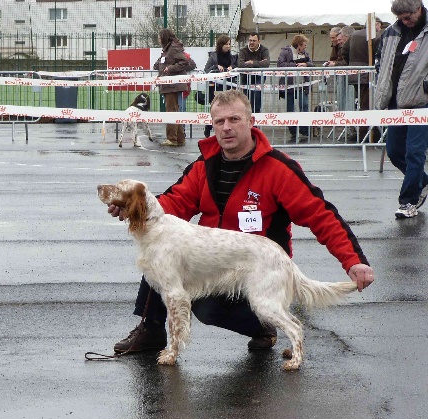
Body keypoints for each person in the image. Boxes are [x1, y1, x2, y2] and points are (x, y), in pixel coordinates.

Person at [107, 90, 374, 356]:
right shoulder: (204, 166)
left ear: (251, 121)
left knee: (211, 306)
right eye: (219, 122)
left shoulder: (277, 169)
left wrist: (354, 261)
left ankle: (265, 324)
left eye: (234, 119)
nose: (226, 128)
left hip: (258, 266)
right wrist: (134, 210)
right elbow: (172, 204)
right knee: (160, 247)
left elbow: (321, 214)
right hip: (214, 259)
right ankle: (151, 329)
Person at [375, 0, 428, 219]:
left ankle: (408, 201)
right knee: (395, 151)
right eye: (400, 18)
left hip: (422, 102)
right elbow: (381, 60)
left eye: (407, 17)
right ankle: (422, 182)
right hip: (396, 101)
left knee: (414, 152)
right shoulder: (390, 32)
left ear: (419, 9)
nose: (404, 22)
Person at [153, 28, 195, 147]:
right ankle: (180, 138)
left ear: (164, 37)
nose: (158, 38)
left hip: (173, 85)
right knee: (175, 112)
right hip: (168, 85)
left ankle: (172, 138)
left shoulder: (174, 47)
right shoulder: (167, 49)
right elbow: (161, 63)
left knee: (171, 112)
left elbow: (184, 62)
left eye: (159, 36)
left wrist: (170, 68)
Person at [347, 17, 386, 142]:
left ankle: (365, 134)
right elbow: (380, 53)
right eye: (379, 26)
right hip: (366, 75)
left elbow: (344, 51)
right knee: (367, 106)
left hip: (354, 73)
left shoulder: (354, 35)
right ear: (377, 24)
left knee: (362, 105)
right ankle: (365, 135)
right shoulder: (376, 36)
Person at [277, 34, 313, 142]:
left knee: (304, 105)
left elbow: (312, 64)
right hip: (289, 86)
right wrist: (296, 65)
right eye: (304, 45)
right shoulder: (286, 52)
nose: (305, 47)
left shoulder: (305, 54)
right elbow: (280, 64)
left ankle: (304, 129)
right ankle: (293, 130)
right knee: (290, 108)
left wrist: (306, 64)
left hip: (302, 85)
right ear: (299, 45)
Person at [203, 35, 236, 137]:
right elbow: (206, 69)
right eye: (226, 44)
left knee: (228, 108)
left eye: (229, 44)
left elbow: (237, 67)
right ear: (221, 45)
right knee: (215, 107)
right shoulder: (213, 56)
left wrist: (232, 67)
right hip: (215, 86)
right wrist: (216, 67)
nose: (228, 46)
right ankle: (208, 127)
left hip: (229, 86)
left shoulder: (233, 57)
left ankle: (225, 130)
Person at [237, 33, 270, 113]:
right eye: (250, 40)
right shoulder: (243, 50)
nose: (251, 42)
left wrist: (252, 62)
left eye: (254, 41)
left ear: (259, 41)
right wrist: (259, 63)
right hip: (245, 77)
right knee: (245, 100)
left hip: (259, 77)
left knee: (256, 97)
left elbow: (266, 64)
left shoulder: (264, 50)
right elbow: (240, 64)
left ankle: (256, 121)